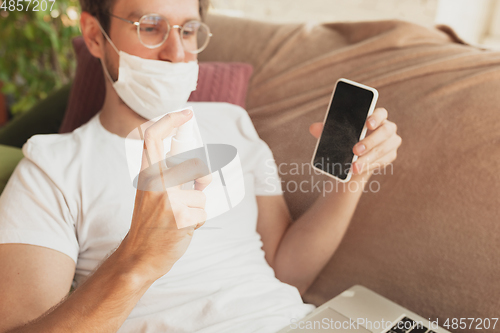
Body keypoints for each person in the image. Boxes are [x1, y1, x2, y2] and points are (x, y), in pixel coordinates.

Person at [0, 0, 402, 332]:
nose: (176, 54)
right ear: (94, 36)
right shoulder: (50, 167)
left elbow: (287, 272)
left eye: (188, 30)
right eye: (151, 27)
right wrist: (136, 259)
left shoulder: (233, 123)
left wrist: (355, 175)